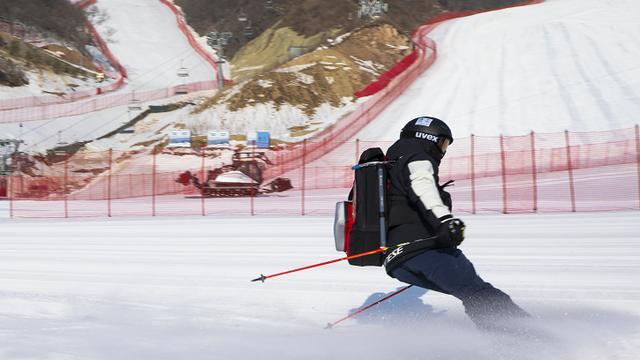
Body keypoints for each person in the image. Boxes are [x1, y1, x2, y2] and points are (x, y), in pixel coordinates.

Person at [383, 116, 529, 330]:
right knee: (479, 293)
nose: (443, 150)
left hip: (397, 262)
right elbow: (423, 189)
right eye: (443, 143)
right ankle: (535, 341)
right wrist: (445, 221)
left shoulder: (392, 164)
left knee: (472, 294)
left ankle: (507, 343)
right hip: (424, 251)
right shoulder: (418, 158)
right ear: (428, 137)